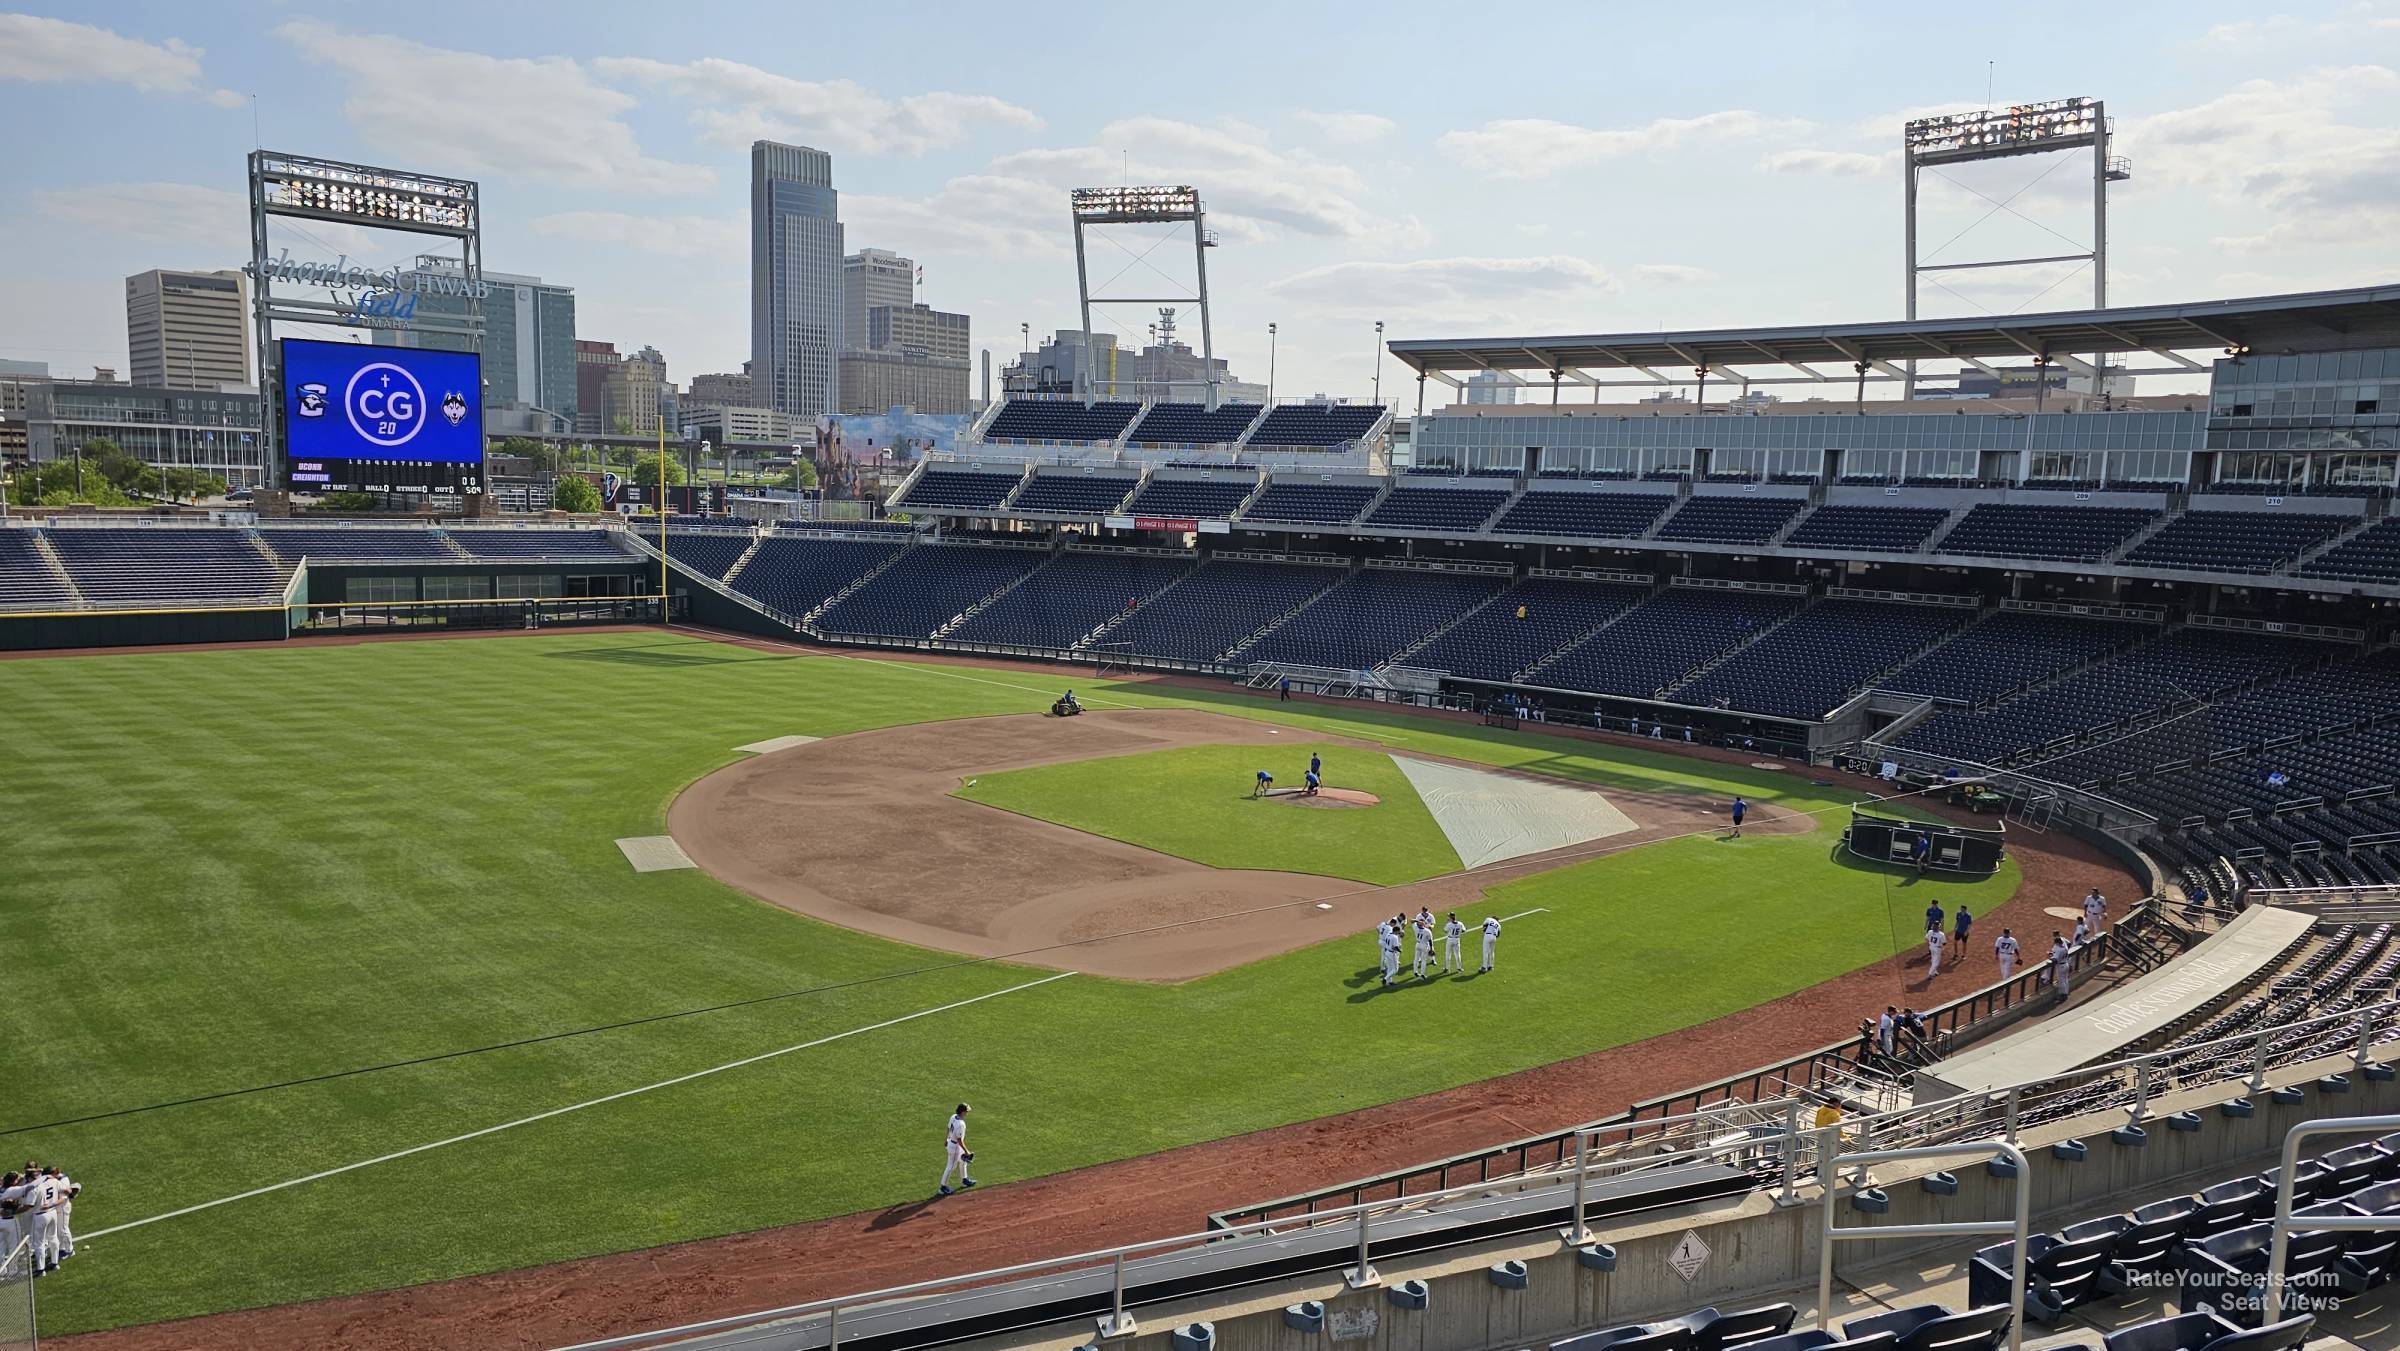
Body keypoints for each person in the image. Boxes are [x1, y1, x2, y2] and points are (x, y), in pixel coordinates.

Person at [938, 1103, 977, 1196]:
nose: (967, 1113)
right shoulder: (961, 1124)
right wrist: (967, 1151)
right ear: (962, 1112)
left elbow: (948, 1128)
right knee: (951, 1167)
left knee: (963, 1161)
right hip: (955, 1147)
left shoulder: (953, 1116)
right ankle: (943, 1187)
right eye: (966, 1111)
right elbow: (959, 1140)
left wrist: (946, 1140)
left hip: (951, 1142)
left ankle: (965, 1180)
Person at [1379, 919, 1403, 987]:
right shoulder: (1395, 937)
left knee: (1389, 968)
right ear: (1396, 931)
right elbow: (1396, 947)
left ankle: (1389, 982)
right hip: (1392, 953)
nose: (1399, 933)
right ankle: (1385, 979)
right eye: (1398, 931)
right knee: (1395, 969)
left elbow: (1387, 944)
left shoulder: (1388, 935)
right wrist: (1400, 950)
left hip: (1387, 952)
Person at [2049, 932, 2073, 997]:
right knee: (2065, 980)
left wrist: (2050, 957)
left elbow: (2055, 960)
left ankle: (2063, 994)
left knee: (2061, 981)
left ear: (2057, 943)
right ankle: (2066, 992)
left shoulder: (2059, 950)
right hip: (2066, 964)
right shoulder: (2064, 947)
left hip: (2061, 966)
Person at [1951, 904, 1973, 970]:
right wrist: (1955, 927)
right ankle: (1956, 954)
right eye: (1961, 909)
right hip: (1958, 931)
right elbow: (1957, 921)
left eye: (1962, 909)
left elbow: (1969, 924)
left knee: (1964, 943)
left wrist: (1966, 931)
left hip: (1964, 932)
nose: (1961, 910)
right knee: (1955, 942)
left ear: (1965, 909)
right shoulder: (1958, 914)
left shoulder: (1968, 916)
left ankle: (1963, 955)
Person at [1411, 914, 1433, 979]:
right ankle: (1422, 974)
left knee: (1416, 959)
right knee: (1423, 960)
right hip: (1424, 945)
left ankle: (1415, 972)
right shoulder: (1427, 931)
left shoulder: (1415, 928)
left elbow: (1411, 921)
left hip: (1417, 944)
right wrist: (1431, 949)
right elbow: (1430, 941)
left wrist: (1417, 920)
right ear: (1424, 924)